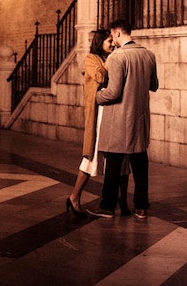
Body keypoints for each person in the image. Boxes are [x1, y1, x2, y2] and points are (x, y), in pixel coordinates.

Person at [86, 19, 158, 219]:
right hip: (141, 118)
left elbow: (113, 93)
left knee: (114, 161)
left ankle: (107, 206)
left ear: (118, 33)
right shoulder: (149, 55)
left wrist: (95, 97)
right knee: (140, 162)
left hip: (119, 117)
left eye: (113, 36)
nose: (113, 41)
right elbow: (154, 85)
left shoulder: (118, 57)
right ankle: (141, 207)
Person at [66, 29, 131, 218]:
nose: (112, 44)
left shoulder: (115, 58)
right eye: (109, 41)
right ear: (99, 42)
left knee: (122, 157)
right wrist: (112, 60)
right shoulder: (92, 59)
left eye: (113, 41)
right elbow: (101, 77)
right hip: (99, 115)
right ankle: (74, 196)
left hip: (117, 112)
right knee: (92, 155)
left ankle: (123, 201)